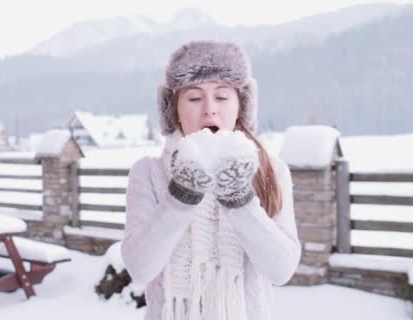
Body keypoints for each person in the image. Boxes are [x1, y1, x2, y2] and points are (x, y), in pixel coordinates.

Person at [121, 40, 301, 320]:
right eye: (194, 98)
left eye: (222, 96)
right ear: (174, 109)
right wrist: (181, 197)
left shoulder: (271, 171)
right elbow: (140, 268)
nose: (209, 110)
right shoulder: (148, 173)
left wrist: (239, 200)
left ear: (241, 105)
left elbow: (281, 270)